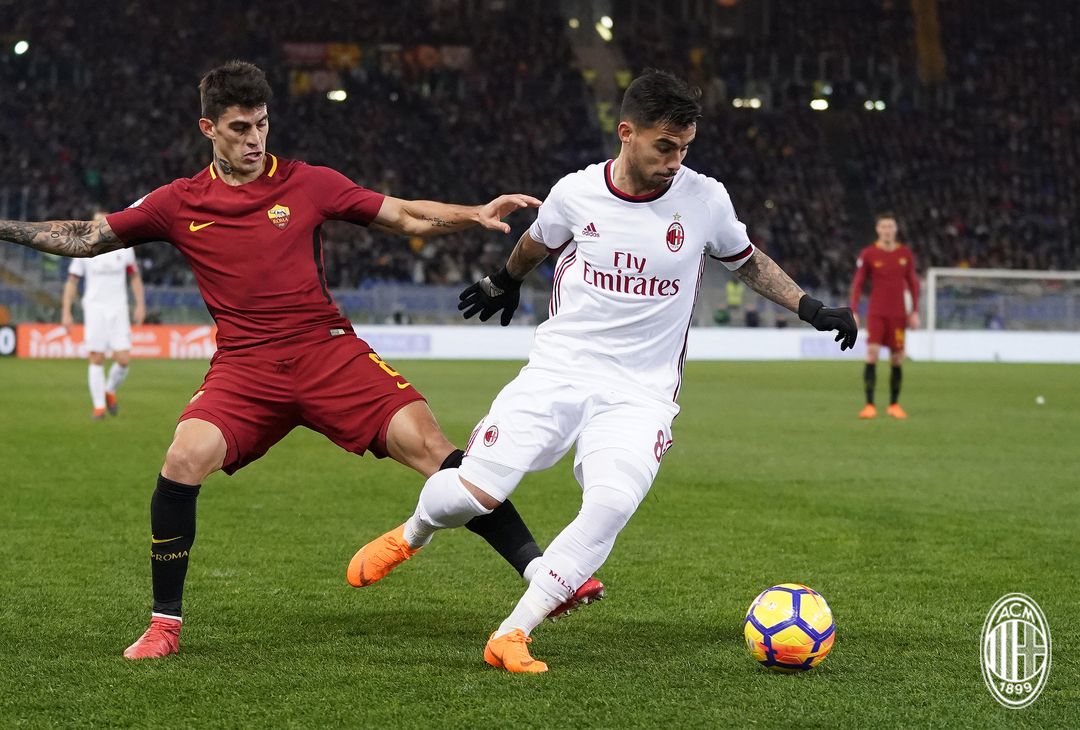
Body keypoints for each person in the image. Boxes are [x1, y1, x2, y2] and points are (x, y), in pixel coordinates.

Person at [0, 60, 602, 660]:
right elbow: (87, 237)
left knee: (430, 445)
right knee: (182, 459)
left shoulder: (307, 182)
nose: (255, 139)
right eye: (240, 128)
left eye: (262, 124)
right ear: (208, 128)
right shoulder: (177, 202)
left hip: (326, 351)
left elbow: (400, 213)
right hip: (245, 367)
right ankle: (164, 626)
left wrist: (472, 213)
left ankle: (543, 573)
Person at [348, 69, 857, 673]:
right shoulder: (576, 193)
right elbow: (537, 241)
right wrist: (505, 279)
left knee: (611, 504)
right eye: (664, 146)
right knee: (471, 493)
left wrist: (810, 306)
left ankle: (512, 633)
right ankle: (414, 532)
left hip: (641, 392)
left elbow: (746, 262)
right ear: (626, 133)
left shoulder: (705, 199)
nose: (675, 161)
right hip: (559, 370)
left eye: (684, 148)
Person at [61, 211, 147, 419]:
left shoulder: (124, 247)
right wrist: (66, 311)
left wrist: (140, 305)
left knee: (123, 360)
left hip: (118, 307)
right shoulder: (84, 246)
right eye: (97, 221)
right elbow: (72, 282)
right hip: (95, 307)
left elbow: (135, 277)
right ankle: (98, 407)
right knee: (96, 357)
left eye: (104, 221)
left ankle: (109, 390)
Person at [849, 213, 919, 419]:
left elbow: (913, 283)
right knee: (872, 353)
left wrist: (914, 311)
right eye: (883, 227)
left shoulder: (905, 253)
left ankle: (894, 405)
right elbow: (858, 283)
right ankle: (869, 405)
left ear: (895, 229)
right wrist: (854, 310)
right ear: (878, 229)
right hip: (877, 312)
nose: (887, 230)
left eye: (890, 226)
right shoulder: (869, 254)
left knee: (897, 358)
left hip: (898, 314)